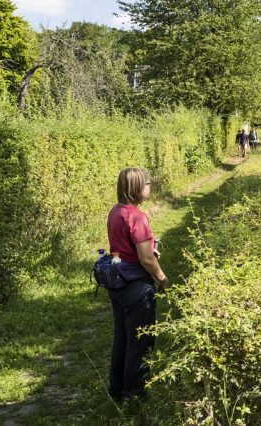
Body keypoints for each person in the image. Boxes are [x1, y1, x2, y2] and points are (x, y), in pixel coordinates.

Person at [106, 167, 168, 403]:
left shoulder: (116, 211)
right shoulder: (137, 216)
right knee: (140, 341)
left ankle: (117, 390)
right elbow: (146, 259)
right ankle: (136, 394)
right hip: (137, 287)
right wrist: (162, 278)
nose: (150, 186)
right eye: (148, 183)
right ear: (136, 188)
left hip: (119, 283)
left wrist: (140, 250)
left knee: (121, 338)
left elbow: (119, 248)